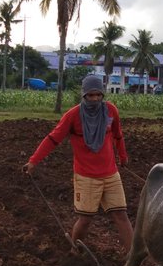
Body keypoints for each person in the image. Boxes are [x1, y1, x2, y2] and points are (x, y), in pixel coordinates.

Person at [23, 74, 134, 254]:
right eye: (91, 95)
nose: (95, 99)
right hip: (86, 175)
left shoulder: (111, 111)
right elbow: (53, 139)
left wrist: (123, 156)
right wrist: (33, 161)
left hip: (111, 173)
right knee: (86, 219)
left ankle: (133, 258)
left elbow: (118, 135)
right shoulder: (73, 116)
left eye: (98, 95)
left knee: (121, 214)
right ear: (84, 95)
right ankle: (75, 250)